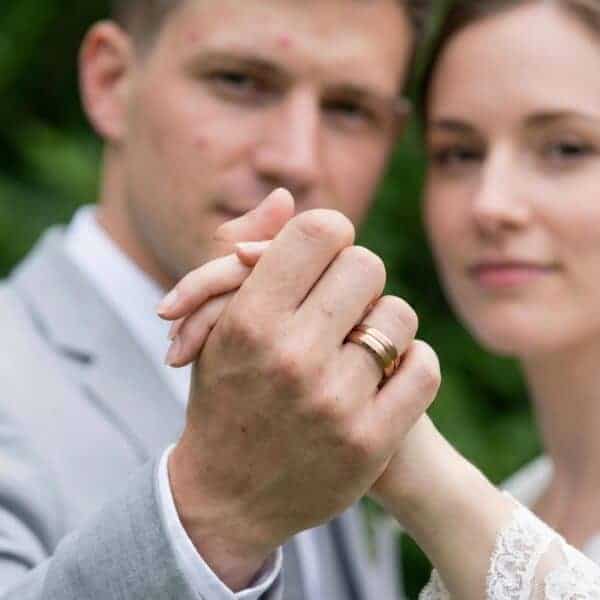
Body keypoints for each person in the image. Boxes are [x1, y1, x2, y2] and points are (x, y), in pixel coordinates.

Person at [163, 0, 600, 597]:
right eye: (458, 153)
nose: (490, 203)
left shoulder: (460, 501)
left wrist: (401, 443)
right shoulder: (525, 496)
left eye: (566, 149)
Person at [0, 1, 435, 598]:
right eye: (240, 82)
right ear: (110, 82)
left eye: (348, 109)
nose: (294, 159)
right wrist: (212, 515)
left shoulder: (342, 393)